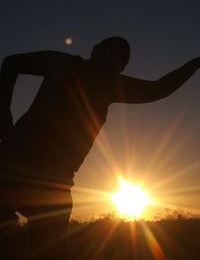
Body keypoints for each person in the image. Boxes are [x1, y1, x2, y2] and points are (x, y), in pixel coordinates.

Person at [0, 36, 199, 259]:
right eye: (107, 55)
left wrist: (196, 62)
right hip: (13, 167)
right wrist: (3, 113)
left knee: (53, 251)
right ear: (95, 50)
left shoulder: (111, 86)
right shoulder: (65, 64)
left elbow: (160, 89)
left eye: (117, 62)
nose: (110, 64)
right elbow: (11, 63)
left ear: (120, 68)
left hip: (54, 185)